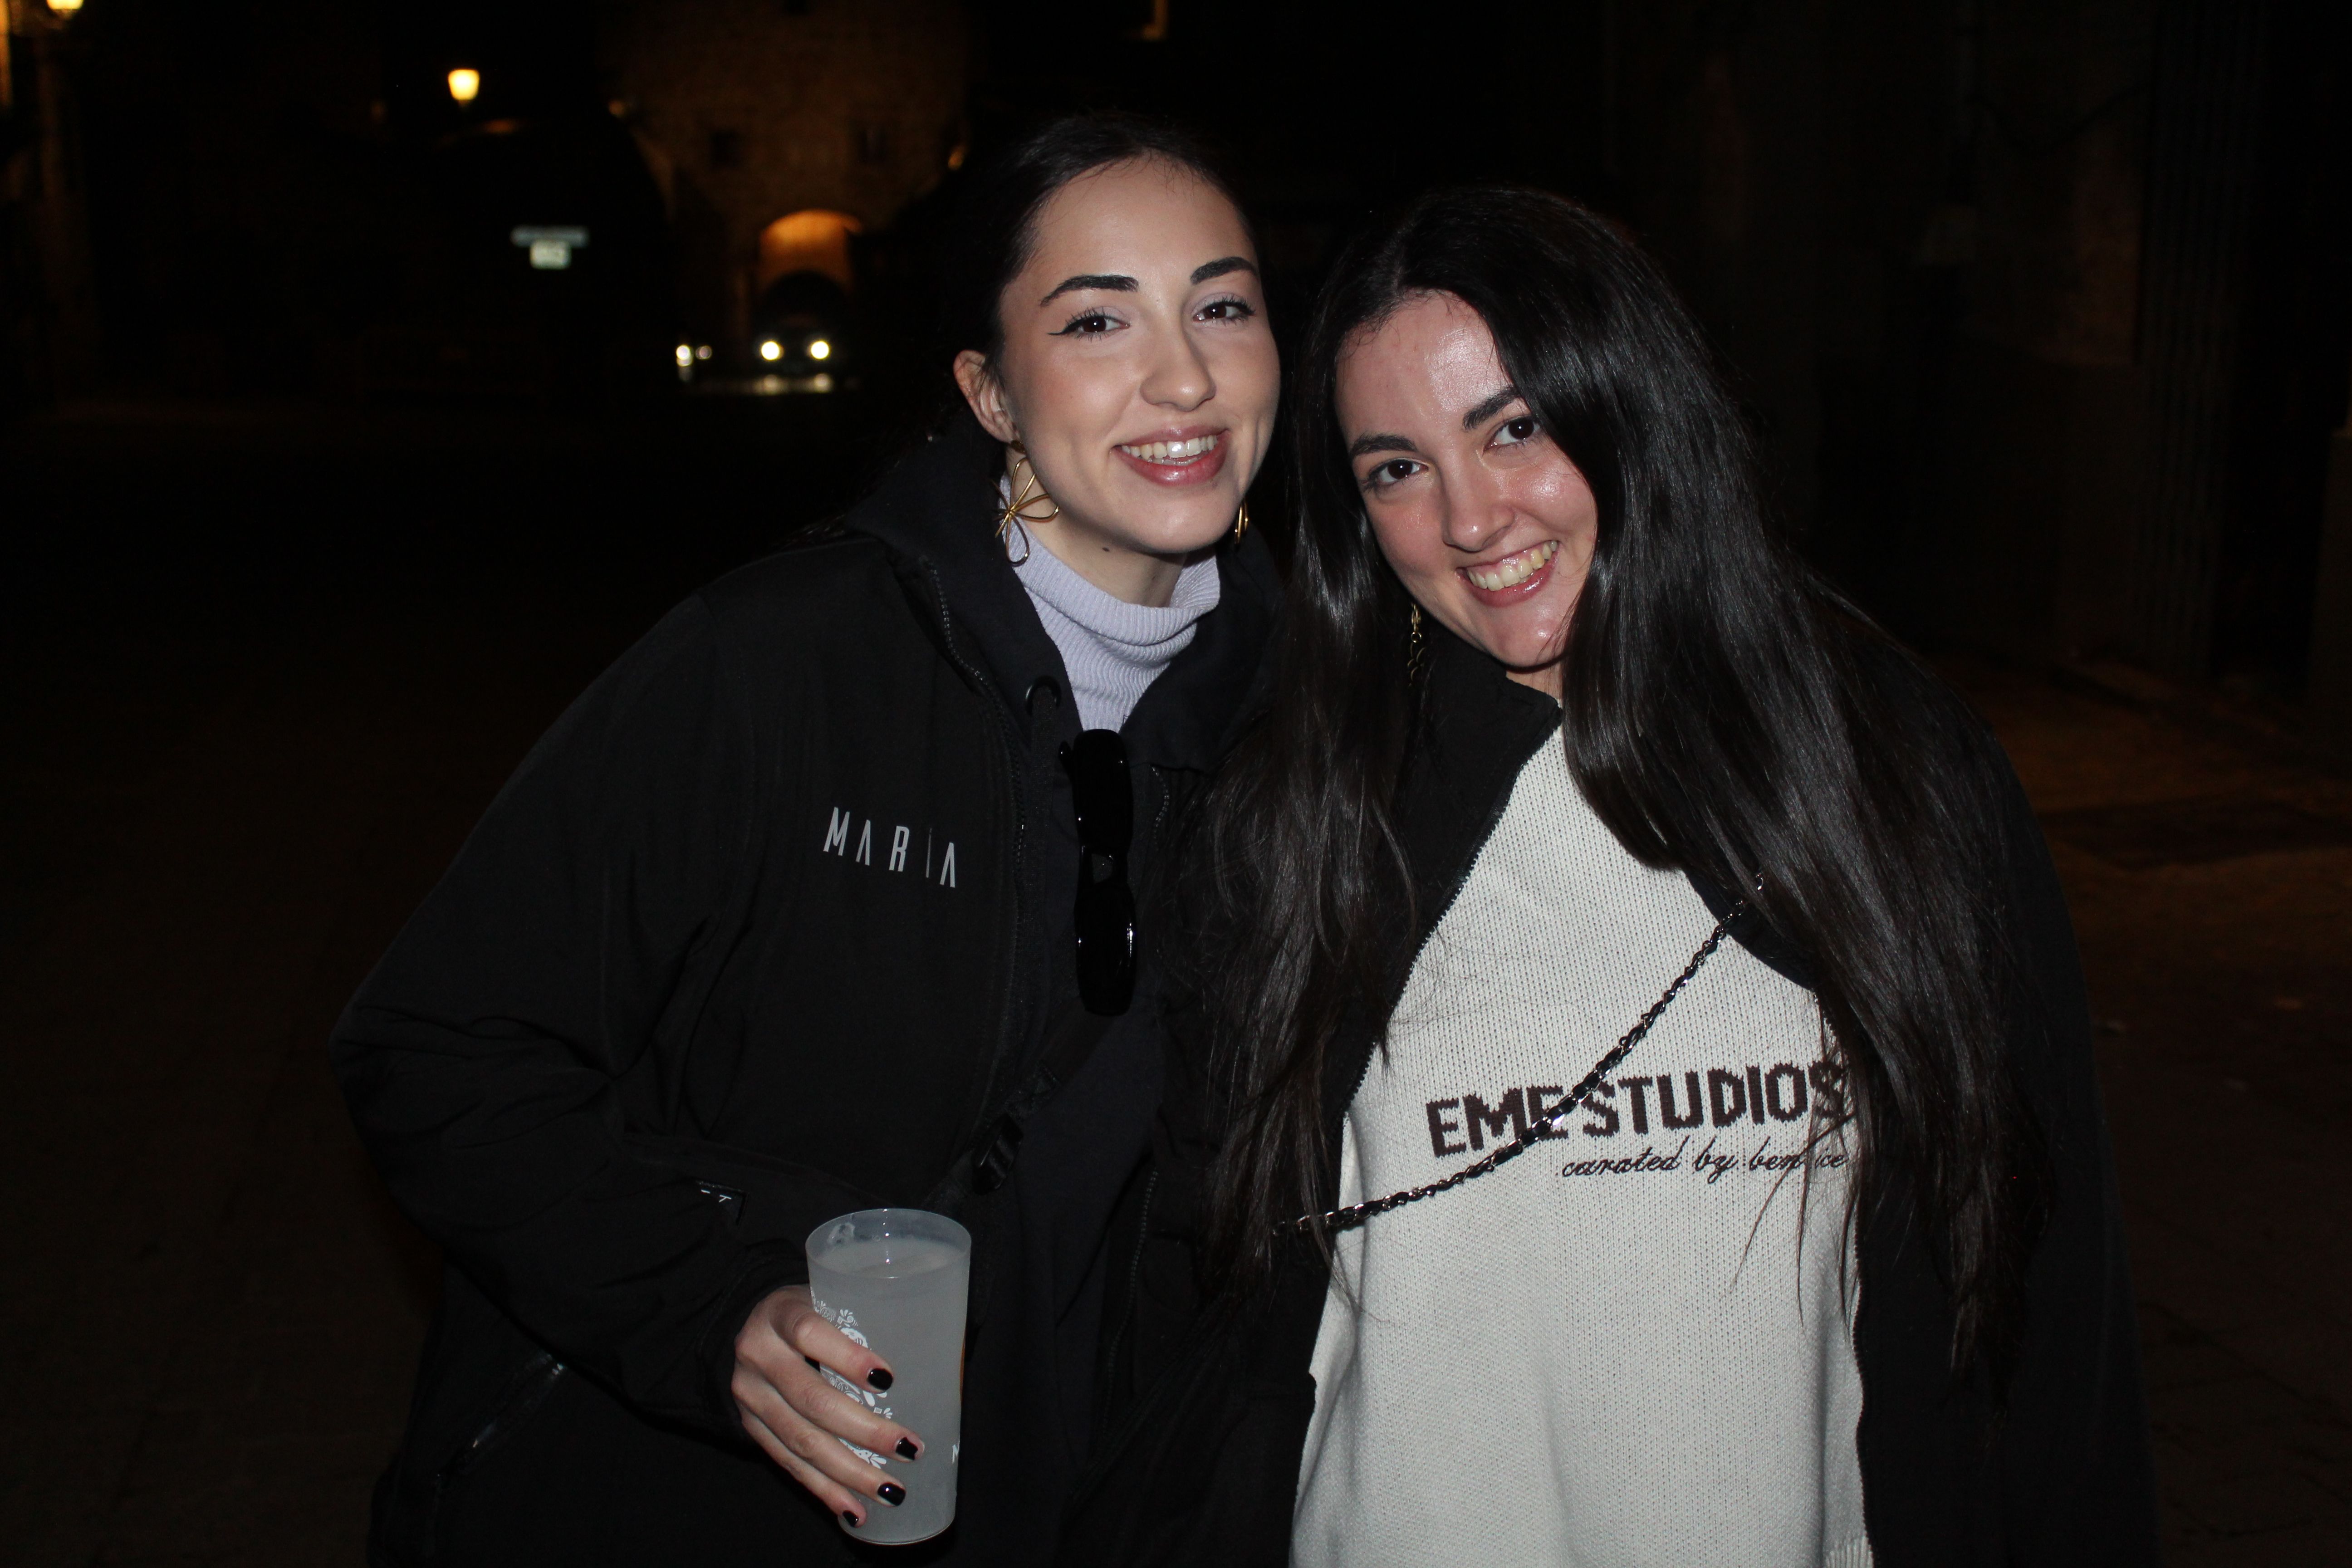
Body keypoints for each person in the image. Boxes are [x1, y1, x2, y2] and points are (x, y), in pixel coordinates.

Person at [1063, 188, 2159, 1566]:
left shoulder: (1889, 769)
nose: (1469, 520)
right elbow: (1187, 1293)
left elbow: (2049, 1308)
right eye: (1395, 469)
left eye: (1514, 428)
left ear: (1633, 404)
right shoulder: (1310, 817)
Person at [332, 113, 1279, 1567]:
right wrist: (713, 1312)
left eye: (1223, 304)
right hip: (690, 1508)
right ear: (992, 393)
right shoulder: (775, 667)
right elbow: (441, 1043)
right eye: (1098, 319)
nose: (1186, 375)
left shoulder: (1304, 722)